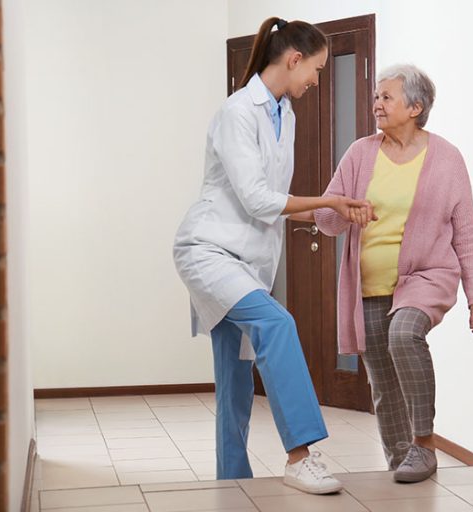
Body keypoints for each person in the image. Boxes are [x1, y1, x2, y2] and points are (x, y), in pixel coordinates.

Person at [173, 17, 373, 494]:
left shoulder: (287, 115)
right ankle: (300, 455)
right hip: (209, 253)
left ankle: (232, 486)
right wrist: (326, 200)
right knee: (278, 323)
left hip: (249, 261)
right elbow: (259, 200)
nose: (316, 80)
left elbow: (272, 205)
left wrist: (327, 211)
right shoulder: (238, 112)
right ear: (294, 59)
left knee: (235, 381)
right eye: (317, 70)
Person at [314, 64, 473, 483]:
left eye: (386, 97)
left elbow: (466, 231)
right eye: (376, 96)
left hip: (427, 276)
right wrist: (342, 208)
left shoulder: (446, 158)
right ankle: (401, 462)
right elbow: (326, 217)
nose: (377, 103)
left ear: (415, 106)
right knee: (381, 376)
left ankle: (424, 443)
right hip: (370, 284)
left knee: (403, 335)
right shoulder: (360, 153)